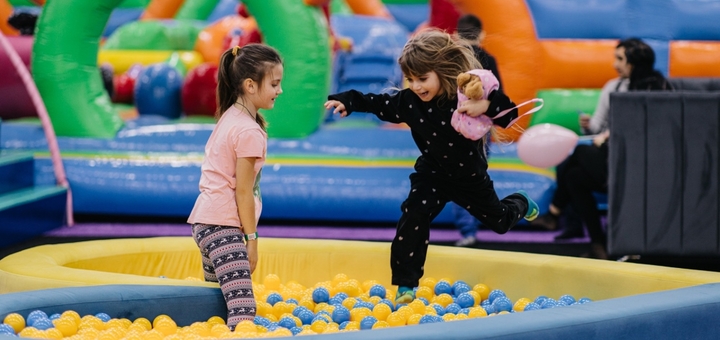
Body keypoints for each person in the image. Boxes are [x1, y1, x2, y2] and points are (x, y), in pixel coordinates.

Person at [324, 29, 539, 303]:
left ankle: (520, 201)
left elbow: (510, 115)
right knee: (414, 215)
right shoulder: (409, 102)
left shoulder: (465, 97)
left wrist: (484, 105)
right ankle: (405, 285)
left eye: (423, 79)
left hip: (468, 176)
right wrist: (347, 100)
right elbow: (376, 102)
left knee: (500, 221)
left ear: (443, 71)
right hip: (432, 174)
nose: (416, 86)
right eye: (411, 79)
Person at [531, 38, 672, 258]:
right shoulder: (612, 86)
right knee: (575, 177)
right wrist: (589, 127)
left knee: (577, 156)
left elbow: (659, 128)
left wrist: (611, 134)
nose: (615, 64)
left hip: (641, 164)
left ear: (635, 61)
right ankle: (599, 243)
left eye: (620, 59)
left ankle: (554, 213)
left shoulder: (657, 86)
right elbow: (597, 128)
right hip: (610, 160)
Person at [187, 44, 283, 329]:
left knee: (216, 305)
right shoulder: (249, 131)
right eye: (275, 84)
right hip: (222, 228)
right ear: (250, 85)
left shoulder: (231, 116)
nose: (280, 90)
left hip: (205, 223)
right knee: (243, 311)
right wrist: (251, 240)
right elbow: (243, 191)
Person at [452, 13, 505, 247]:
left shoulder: (453, 59)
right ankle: (479, 221)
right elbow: (498, 97)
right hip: (482, 129)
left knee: (457, 176)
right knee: (478, 174)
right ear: (481, 34)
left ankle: (468, 230)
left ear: (456, 35)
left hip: (456, 127)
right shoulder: (489, 59)